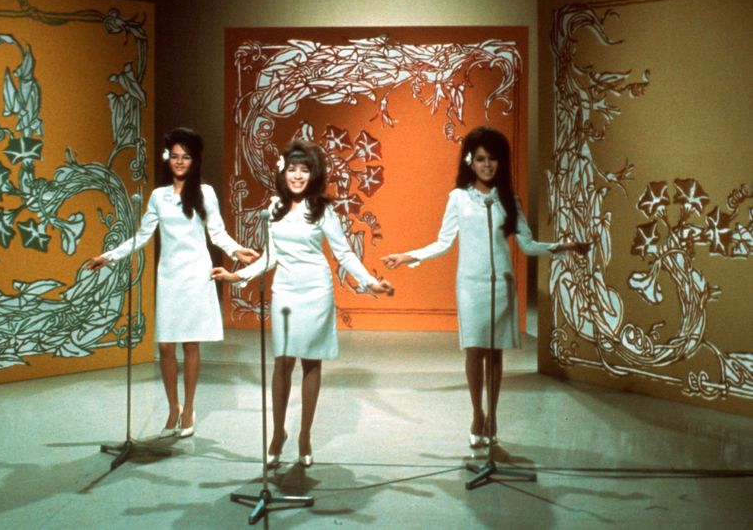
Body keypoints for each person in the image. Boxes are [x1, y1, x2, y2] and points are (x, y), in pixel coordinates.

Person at [382, 126, 588, 447]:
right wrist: (407, 256)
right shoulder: (459, 198)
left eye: (492, 159)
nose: (487, 165)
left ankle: (492, 415)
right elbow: (442, 243)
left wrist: (565, 246)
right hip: (470, 286)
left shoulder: (509, 200)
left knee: (494, 354)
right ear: (470, 162)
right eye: (480, 159)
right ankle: (476, 412)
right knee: (474, 350)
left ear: (500, 163)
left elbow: (529, 245)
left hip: (501, 285)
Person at [212, 140, 394, 468]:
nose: (298, 176)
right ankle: (278, 432)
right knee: (282, 362)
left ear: (314, 174)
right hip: (285, 292)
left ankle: (305, 435)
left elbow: (344, 253)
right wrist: (236, 276)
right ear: (284, 172)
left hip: (316, 292)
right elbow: (271, 256)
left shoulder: (323, 210)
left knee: (311, 363)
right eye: (293, 169)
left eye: (305, 169)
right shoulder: (274, 208)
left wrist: (371, 282)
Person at [87, 127, 259, 438]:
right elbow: (142, 236)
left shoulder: (205, 193)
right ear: (168, 159)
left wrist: (237, 250)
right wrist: (109, 256)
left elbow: (216, 233)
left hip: (196, 275)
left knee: (190, 344)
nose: (180, 162)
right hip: (169, 276)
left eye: (186, 157)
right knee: (166, 346)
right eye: (175, 157)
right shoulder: (158, 196)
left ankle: (189, 407)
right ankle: (172, 408)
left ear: (195, 160)